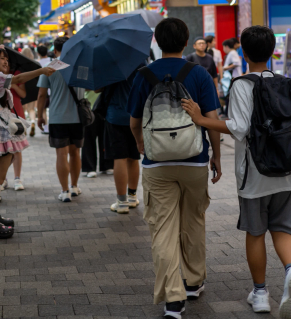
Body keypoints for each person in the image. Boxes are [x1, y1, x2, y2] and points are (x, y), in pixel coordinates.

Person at [182, 25, 291, 318]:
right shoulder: (284, 82)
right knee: (282, 229)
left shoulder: (242, 84)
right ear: (272, 51)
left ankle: (260, 294)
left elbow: (239, 127)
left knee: (255, 232)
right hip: (285, 172)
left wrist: (201, 119)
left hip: (255, 174)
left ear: (243, 51)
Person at [128, 18, 222, 319]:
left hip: (157, 164)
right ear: (185, 43)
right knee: (193, 219)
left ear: (156, 40)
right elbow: (211, 119)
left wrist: (141, 143)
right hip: (194, 160)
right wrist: (216, 155)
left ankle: (173, 299)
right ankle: (194, 282)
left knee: (162, 229)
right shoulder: (199, 74)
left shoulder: (143, 75)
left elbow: (133, 121)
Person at [0, 44, 54, 239]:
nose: (5, 61)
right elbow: (18, 79)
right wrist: (42, 71)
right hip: (0, 130)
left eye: (7, 59)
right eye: (1, 58)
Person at [37, 36, 84, 203]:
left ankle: (65, 192)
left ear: (55, 51)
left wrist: (40, 115)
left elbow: (42, 94)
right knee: (75, 152)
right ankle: (75, 186)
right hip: (78, 117)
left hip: (57, 117)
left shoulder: (50, 67)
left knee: (61, 154)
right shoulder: (80, 66)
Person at [103, 74, 141, 214]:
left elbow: (97, 89)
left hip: (115, 116)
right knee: (133, 157)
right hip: (135, 115)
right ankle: (132, 197)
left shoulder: (110, 63)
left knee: (119, 157)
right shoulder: (139, 61)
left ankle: (122, 202)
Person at [81, 90, 113, 178]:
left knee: (105, 138)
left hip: (104, 107)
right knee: (88, 139)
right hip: (89, 108)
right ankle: (90, 168)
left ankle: (107, 165)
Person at [21, 46, 37, 137]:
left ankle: (24, 127)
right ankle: (33, 122)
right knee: (31, 109)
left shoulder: (21, 65)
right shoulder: (34, 64)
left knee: (23, 109)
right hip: (33, 88)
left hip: (23, 87)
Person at [37, 44, 51, 134]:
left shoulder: (38, 63)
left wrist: (39, 116)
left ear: (38, 53)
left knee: (44, 109)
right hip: (52, 90)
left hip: (43, 89)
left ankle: (46, 127)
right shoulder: (52, 61)